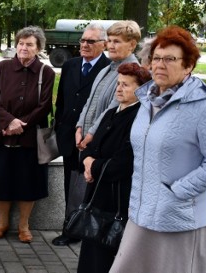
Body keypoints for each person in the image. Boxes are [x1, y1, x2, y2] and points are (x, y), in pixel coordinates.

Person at [109, 26, 206, 273]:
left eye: (170, 59)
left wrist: (176, 192)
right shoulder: (147, 100)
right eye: (156, 58)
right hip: (141, 214)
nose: (160, 65)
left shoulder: (205, 106)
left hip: (180, 219)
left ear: (188, 66)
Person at [60, 20, 141, 246]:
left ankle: (87, 234)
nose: (110, 46)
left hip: (102, 144)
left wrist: (90, 135)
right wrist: (78, 127)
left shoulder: (130, 71)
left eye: (116, 42)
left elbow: (111, 109)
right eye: (110, 41)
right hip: (86, 140)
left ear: (132, 45)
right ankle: (78, 229)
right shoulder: (107, 68)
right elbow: (89, 103)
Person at [76, 63, 151, 273]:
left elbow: (123, 163)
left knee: (107, 254)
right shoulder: (111, 113)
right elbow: (87, 147)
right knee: (91, 250)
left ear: (140, 89)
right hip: (96, 193)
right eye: (118, 84)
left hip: (116, 197)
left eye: (126, 85)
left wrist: (92, 165)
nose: (119, 89)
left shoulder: (138, 118)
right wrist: (87, 162)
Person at [0, 26, 55, 244]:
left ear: (39, 48)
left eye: (29, 44)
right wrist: (10, 121)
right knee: (0, 181)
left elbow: (44, 106)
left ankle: (24, 226)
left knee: (28, 183)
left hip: (30, 138)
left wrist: (21, 125)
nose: (24, 48)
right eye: (21, 43)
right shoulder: (2, 68)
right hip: (2, 134)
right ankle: (2, 223)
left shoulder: (47, 72)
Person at [51, 23, 110, 246]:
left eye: (90, 41)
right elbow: (62, 100)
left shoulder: (108, 68)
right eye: (83, 40)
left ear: (103, 45)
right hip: (69, 136)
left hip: (93, 139)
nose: (84, 45)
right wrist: (60, 127)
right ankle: (71, 227)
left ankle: (89, 228)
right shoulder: (70, 65)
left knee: (89, 183)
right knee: (70, 183)